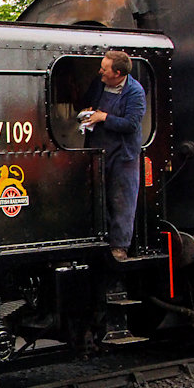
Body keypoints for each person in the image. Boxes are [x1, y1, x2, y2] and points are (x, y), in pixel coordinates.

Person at [80, 51, 146, 261]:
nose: (100, 71)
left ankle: (120, 246)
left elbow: (131, 124)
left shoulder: (135, 92)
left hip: (123, 155)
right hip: (98, 149)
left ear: (117, 73)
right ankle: (99, 242)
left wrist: (104, 117)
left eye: (104, 68)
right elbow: (86, 101)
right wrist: (88, 112)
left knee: (121, 200)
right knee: (97, 197)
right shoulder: (99, 83)